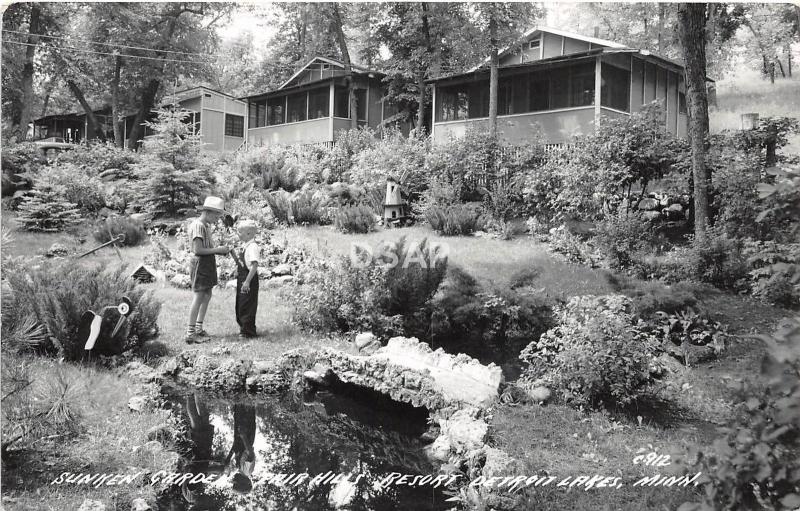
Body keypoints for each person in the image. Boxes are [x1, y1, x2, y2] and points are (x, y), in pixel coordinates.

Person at [185, 196, 230, 344]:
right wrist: (218, 250)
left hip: (207, 262)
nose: (218, 219)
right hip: (200, 263)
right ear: (209, 212)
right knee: (199, 296)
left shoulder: (206, 226)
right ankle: (190, 333)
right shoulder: (198, 225)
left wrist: (217, 250)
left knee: (207, 294)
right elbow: (198, 250)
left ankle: (198, 328)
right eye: (217, 215)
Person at [230, 220, 261, 338]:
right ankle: (243, 328)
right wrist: (232, 253)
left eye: (239, 231)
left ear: (248, 234)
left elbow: (254, 266)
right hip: (242, 278)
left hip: (249, 279)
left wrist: (247, 281)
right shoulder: (245, 245)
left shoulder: (252, 247)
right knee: (241, 303)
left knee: (247, 304)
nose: (237, 233)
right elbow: (242, 263)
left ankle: (248, 331)